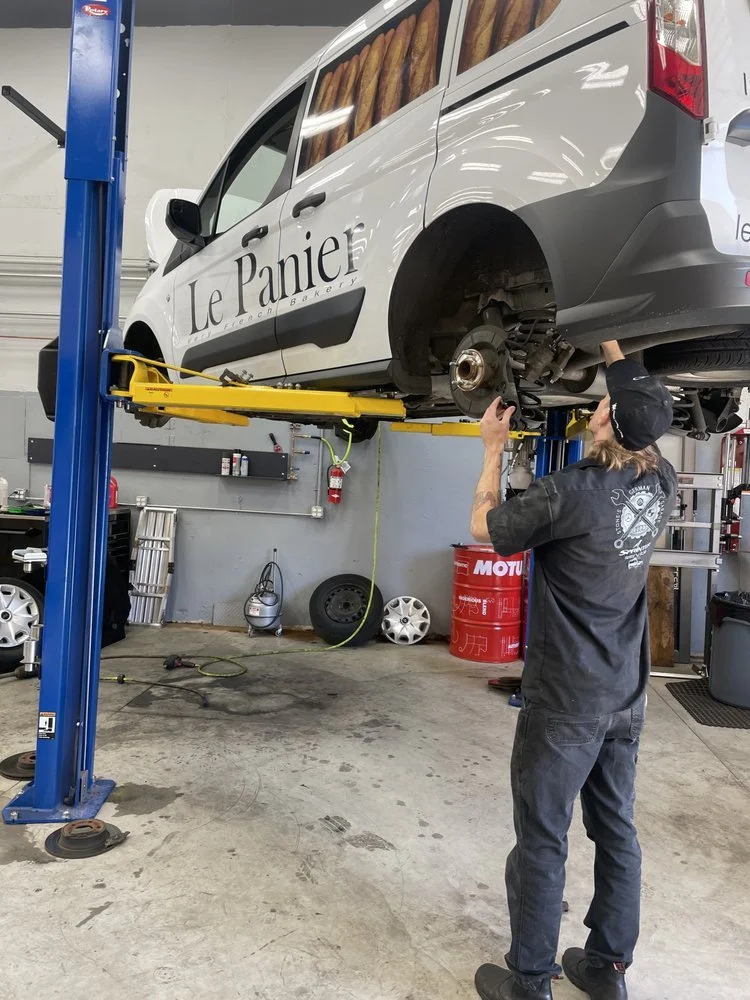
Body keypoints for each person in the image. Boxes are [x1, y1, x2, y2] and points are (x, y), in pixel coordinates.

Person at [469, 341, 677, 1000]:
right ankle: (606, 967)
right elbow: (636, 407)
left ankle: (530, 982)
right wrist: (616, 346)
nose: (594, 403)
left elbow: (481, 526)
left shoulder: (570, 493)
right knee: (616, 830)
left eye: (604, 400)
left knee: (542, 837)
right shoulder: (661, 481)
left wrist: (492, 448)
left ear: (609, 421)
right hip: (625, 698)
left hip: (565, 702)